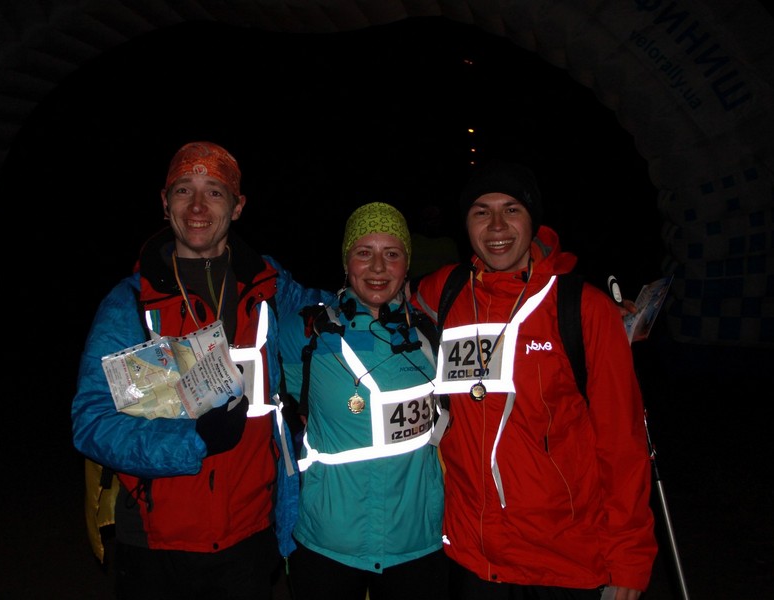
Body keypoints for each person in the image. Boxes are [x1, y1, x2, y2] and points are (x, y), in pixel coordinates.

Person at [71, 140, 332, 599]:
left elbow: (338, 308)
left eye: (214, 192)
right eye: (183, 190)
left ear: (237, 206)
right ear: (164, 202)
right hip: (157, 541)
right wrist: (192, 441)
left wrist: (406, 296)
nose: (197, 206)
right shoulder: (130, 303)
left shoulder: (268, 287)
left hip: (250, 532)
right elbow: (91, 422)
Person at [410, 159, 657, 600]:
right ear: (465, 224)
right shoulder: (445, 293)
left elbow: (623, 445)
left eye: (512, 209)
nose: (496, 226)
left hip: (563, 560)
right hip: (473, 557)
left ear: (533, 220)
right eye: (481, 212)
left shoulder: (584, 309)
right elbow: (379, 295)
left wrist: (629, 559)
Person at [278, 202, 448, 600]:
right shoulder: (305, 334)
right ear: (346, 261)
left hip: (416, 543)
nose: (377, 267)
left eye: (392, 254)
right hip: (328, 543)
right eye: (364, 252)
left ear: (407, 264)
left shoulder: (432, 333)